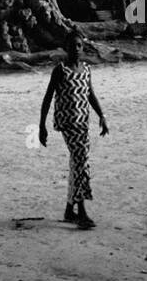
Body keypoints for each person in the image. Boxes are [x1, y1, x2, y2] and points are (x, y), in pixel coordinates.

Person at [39, 28, 109, 229]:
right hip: (68, 124)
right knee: (81, 162)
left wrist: (102, 116)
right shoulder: (60, 70)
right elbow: (47, 98)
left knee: (77, 164)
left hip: (83, 123)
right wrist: (41, 126)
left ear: (83, 47)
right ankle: (82, 212)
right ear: (65, 48)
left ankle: (70, 210)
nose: (76, 49)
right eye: (72, 46)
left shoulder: (86, 70)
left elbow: (90, 95)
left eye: (79, 45)